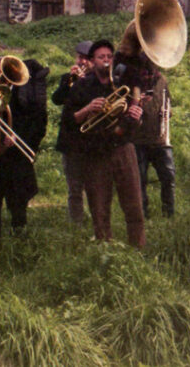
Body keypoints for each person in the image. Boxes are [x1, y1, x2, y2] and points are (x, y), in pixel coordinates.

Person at [63, 39, 146, 248]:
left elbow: (133, 112)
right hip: (95, 153)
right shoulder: (81, 86)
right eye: (101, 57)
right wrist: (88, 109)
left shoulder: (121, 82)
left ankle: (138, 249)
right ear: (92, 61)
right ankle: (104, 251)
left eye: (110, 57)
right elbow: (68, 120)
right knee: (99, 208)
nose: (107, 61)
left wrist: (137, 115)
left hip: (123, 149)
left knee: (134, 205)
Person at [0, 57, 49, 241]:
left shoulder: (26, 95)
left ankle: (20, 244)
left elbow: (39, 125)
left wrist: (17, 137)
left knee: (17, 205)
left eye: (0, 73)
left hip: (16, 159)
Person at [116, 22, 175, 219]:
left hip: (160, 139)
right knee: (140, 180)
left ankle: (169, 213)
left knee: (168, 177)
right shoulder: (132, 78)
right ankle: (144, 215)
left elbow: (168, 103)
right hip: (139, 138)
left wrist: (168, 113)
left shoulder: (162, 80)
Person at [51, 40, 93, 223]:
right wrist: (69, 82)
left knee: (93, 184)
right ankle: (76, 223)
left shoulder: (99, 81)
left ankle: (95, 220)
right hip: (71, 139)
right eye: (80, 58)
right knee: (74, 186)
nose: (82, 62)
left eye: (86, 59)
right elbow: (56, 99)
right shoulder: (67, 79)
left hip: (91, 139)